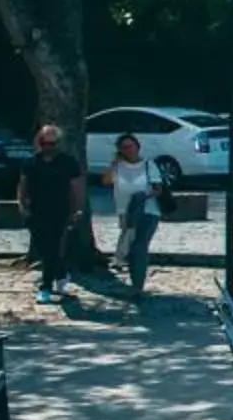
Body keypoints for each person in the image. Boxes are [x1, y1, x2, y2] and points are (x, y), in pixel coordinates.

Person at [17, 124, 87, 306]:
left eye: (52, 143)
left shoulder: (68, 162)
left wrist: (78, 208)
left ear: (58, 143)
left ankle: (45, 287)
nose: (48, 146)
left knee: (52, 246)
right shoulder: (31, 162)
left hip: (59, 210)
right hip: (35, 210)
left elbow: (77, 188)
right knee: (42, 247)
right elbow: (23, 185)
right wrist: (22, 204)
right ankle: (61, 273)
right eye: (44, 142)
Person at [101, 132, 161, 297]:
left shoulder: (149, 165)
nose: (128, 150)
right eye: (124, 148)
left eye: (130, 146)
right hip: (126, 213)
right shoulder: (118, 166)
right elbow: (106, 181)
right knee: (129, 245)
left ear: (137, 147)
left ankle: (137, 285)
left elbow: (158, 189)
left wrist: (142, 197)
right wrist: (114, 164)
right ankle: (134, 279)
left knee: (139, 246)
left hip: (148, 211)